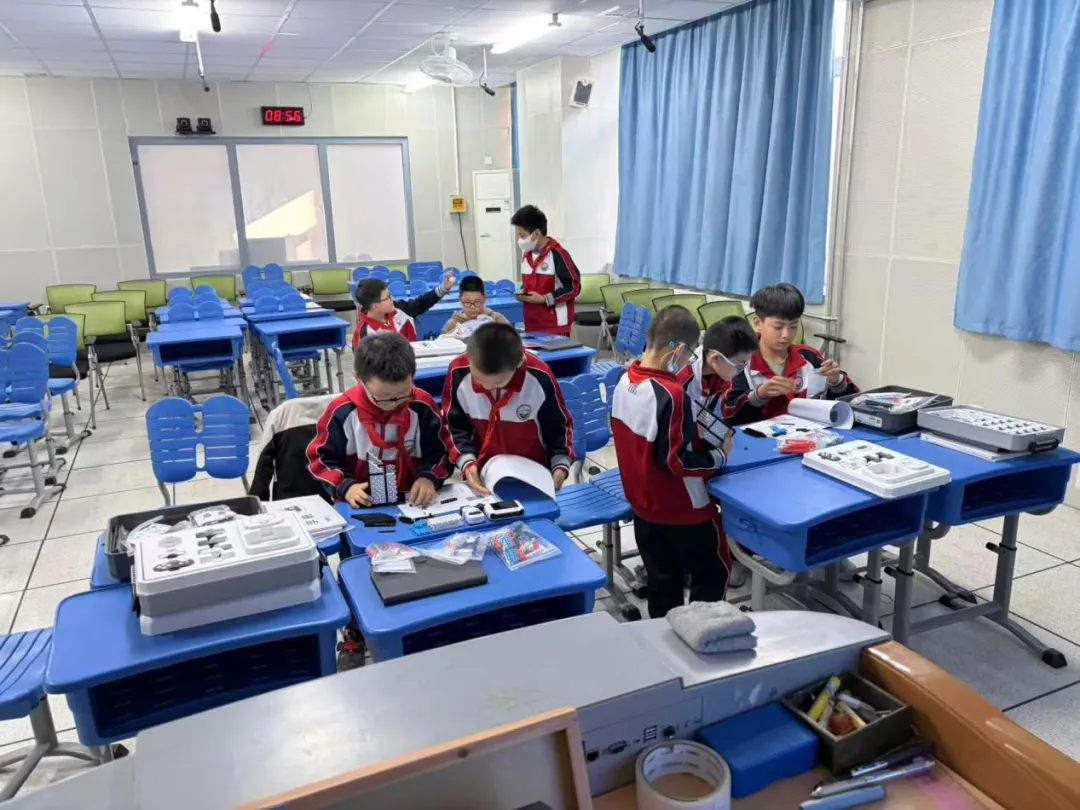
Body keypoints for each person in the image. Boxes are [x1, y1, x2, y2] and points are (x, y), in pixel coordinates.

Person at [611, 306, 732, 619]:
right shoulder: (672, 393)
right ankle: (705, 632)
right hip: (683, 512)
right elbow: (677, 461)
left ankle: (662, 639)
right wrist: (720, 455)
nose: (689, 361)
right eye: (690, 354)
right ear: (678, 350)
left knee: (662, 584)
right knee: (714, 574)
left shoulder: (623, 381)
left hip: (644, 509)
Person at [307, 332, 450, 509]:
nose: (394, 403)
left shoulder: (422, 405)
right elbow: (320, 459)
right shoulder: (342, 412)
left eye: (403, 394)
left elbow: (440, 451)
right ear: (359, 379)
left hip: (413, 500)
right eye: (383, 397)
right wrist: (345, 486)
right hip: (361, 502)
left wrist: (428, 477)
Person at [442, 322, 574, 496]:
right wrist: (467, 463)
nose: (486, 387)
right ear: (469, 358)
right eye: (478, 379)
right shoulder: (458, 371)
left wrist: (560, 464)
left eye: (498, 382)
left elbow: (558, 426)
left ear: (519, 362)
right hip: (483, 473)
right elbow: (453, 425)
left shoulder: (539, 376)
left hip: (533, 474)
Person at [723, 283, 857, 425]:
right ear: (758, 324)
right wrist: (759, 394)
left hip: (807, 432)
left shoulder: (810, 357)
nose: (786, 335)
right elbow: (728, 415)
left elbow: (850, 406)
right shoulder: (739, 362)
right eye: (778, 327)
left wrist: (836, 381)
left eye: (793, 326)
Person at [685, 315, 760, 446]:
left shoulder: (721, 374)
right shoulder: (683, 379)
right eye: (739, 365)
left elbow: (710, 417)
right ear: (715, 359)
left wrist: (721, 437)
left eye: (745, 364)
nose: (741, 371)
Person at [511, 205, 581, 336]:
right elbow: (530, 284)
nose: (520, 240)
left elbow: (574, 287)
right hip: (532, 323)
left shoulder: (558, 254)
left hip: (555, 325)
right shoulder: (527, 255)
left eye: (522, 235)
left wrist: (544, 299)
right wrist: (522, 293)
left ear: (536, 233)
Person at [351, 271, 455, 348]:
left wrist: (443, 288)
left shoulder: (399, 309)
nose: (392, 299)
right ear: (375, 306)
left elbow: (421, 303)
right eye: (388, 298)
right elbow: (365, 367)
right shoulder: (364, 334)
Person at [440, 275, 511, 338]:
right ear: (460, 300)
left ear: (484, 298)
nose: (472, 307)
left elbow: (512, 342)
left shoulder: (497, 320)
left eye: (477, 302)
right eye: (467, 302)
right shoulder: (452, 325)